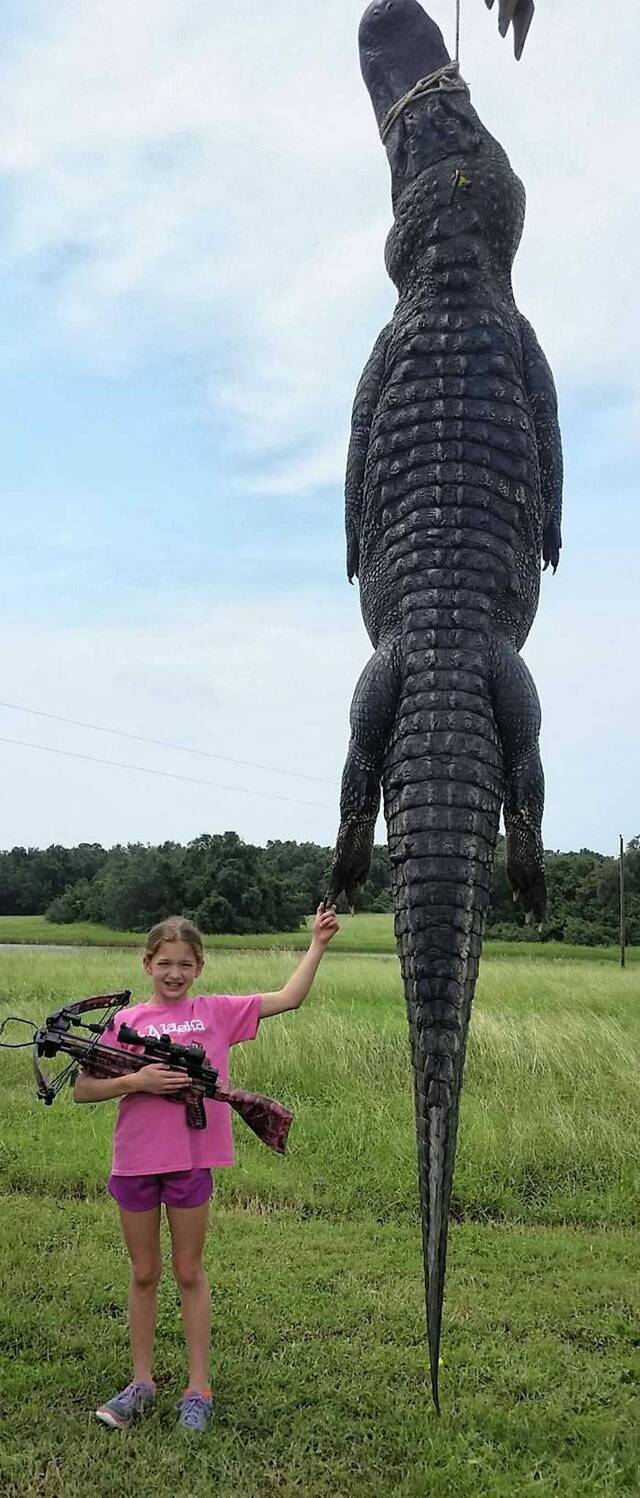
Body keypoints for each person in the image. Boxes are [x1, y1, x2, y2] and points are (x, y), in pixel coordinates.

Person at [73, 901, 339, 1433]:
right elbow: (82, 1090)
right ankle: (141, 1384)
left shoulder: (215, 1012)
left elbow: (289, 998)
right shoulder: (123, 1023)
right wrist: (137, 1082)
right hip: (136, 1162)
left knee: (188, 1271)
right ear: (147, 964)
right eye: (164, 963)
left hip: (192, 1161)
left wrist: (317, 944)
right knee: (144, 1271)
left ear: (199, 967)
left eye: (185, 964)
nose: (174, 974)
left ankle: (198, 1389)